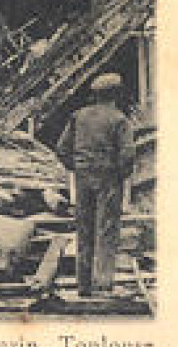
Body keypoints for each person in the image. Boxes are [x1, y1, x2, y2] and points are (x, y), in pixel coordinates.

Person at [56, 73, 135, 297]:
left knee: (84, 229)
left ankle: (83, 286)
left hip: (82, 178)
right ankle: (103, 285)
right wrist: (120, 174)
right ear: (117, 94)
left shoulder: (78, 116)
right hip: (109, 179)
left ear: (95, 94)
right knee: (107, 230)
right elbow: (127, 155)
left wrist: (78, 167)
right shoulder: (120, 120)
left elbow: (61, 149)